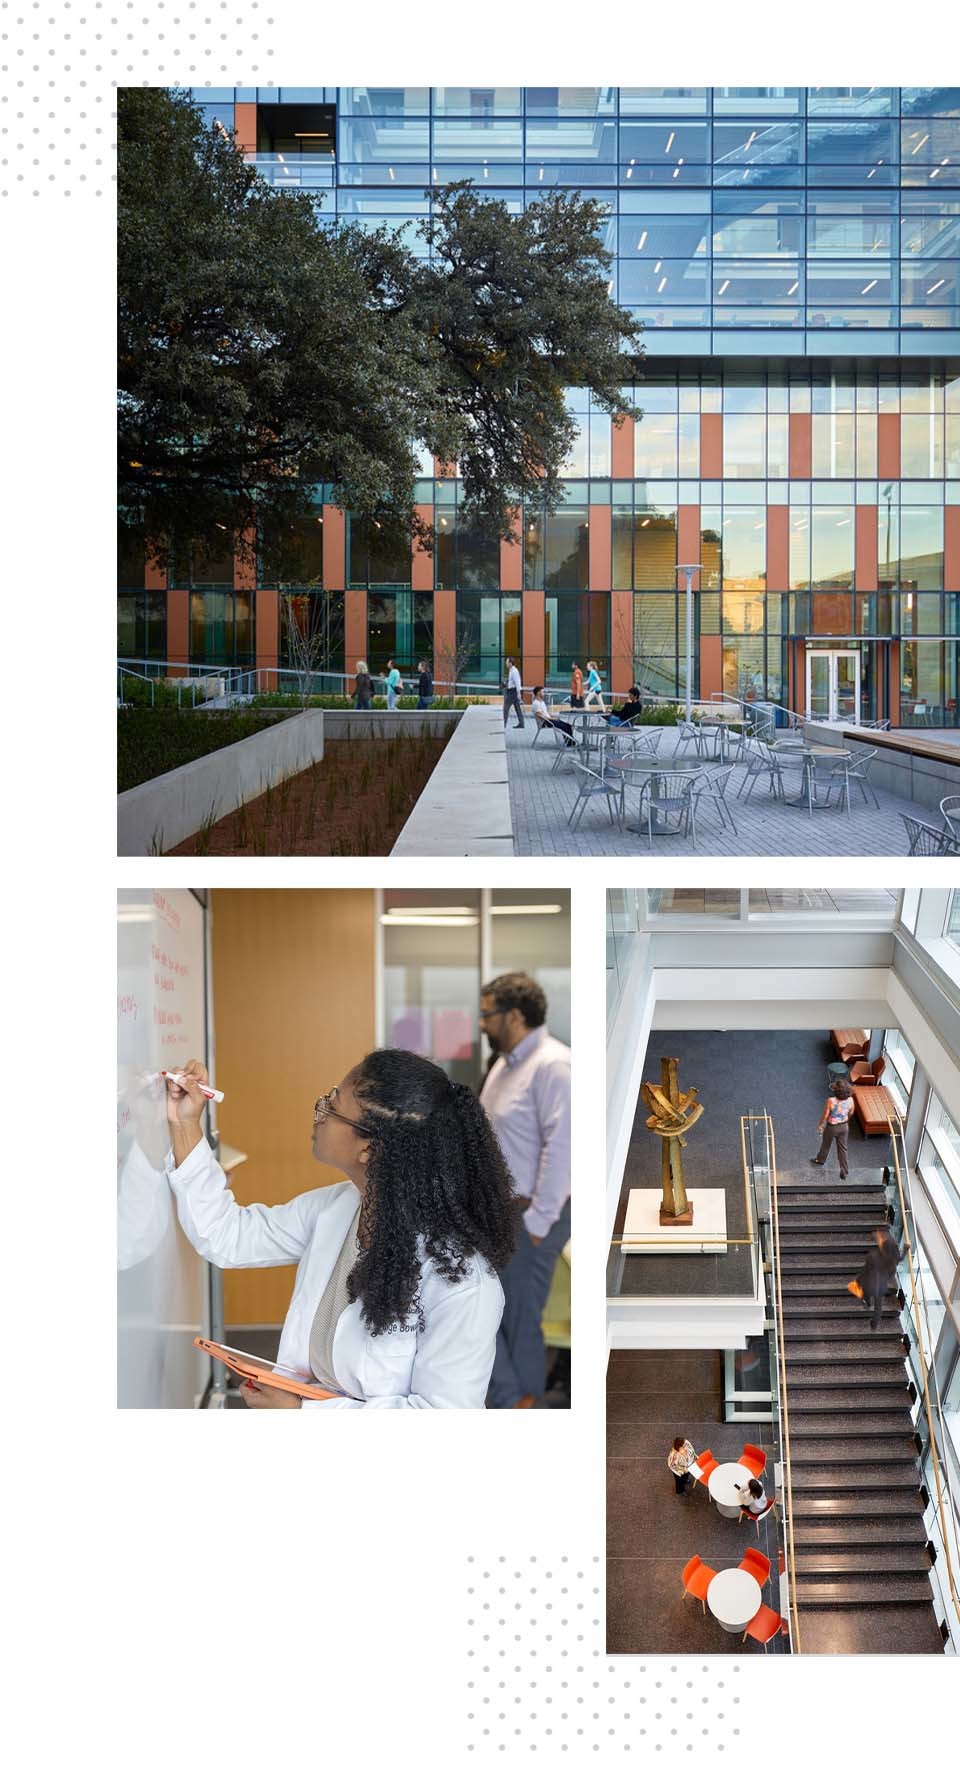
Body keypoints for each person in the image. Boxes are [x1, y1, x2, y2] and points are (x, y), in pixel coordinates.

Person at [163, 1049, 516, 1408]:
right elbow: (228, 1236)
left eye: (332, 1106)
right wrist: (184, 1123)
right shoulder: (338, 1209)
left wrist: (304, 1411)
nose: (319, 1115)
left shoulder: (464, 1284)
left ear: (369, 1148)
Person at [479, 973, 571, 1408]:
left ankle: (525, 1408)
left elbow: (565, 1146)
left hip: (530, 1215)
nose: (481, 1024)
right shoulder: (504, 1065)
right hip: (497, 1211)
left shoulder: (554, 1065)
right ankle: (512, 1401)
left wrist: (537, 1223)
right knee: (485, 1312)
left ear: (514, 1016)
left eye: (487, 1015)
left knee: (518, 1320)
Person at [849, 1227, 902, 1331]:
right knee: (878, 1307)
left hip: (869, 1284)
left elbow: (865, 1271)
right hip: (881, 1287)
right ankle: (874, 1325)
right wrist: (906, 1249)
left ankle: (867, 1303)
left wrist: (857, 1281)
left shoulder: (872, 1256)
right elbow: (894, 1269)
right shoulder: (892, 1262)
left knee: (866, 1295)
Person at [811, 1076, 855, 1180]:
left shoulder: (831, 1101)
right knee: (843, 1149)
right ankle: (844, 1170)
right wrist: (844, 1119)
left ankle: (820, 1160)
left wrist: (821, 1125)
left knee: (825, 1145)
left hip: (832, 1127)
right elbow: (851, 1112)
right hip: (844, 1127)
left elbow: (826, 1115)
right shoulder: (851, 1100)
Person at [503, 656, 524, 729]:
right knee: (518, 708)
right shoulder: (511, 670)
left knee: (505, 708)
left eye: (507, 662)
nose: (506, 663)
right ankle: (521, 724)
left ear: (510, 663)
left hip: (513, 692)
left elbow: (517, 682)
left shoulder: (514, 671)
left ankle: (503, 724)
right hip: (512, 691)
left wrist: (519, 693)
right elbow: (512, 682)